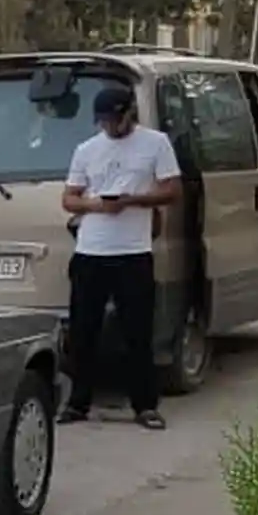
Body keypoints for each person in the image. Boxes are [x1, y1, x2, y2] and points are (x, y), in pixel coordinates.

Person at [61, 83, 182, 430]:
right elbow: (69, 198)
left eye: (115, 119)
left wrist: (133, 200)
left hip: (133, 251)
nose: (109, 127)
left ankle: (145, 405)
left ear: (129, 113)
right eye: (103, 122)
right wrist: (97, 205)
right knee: (83, 331)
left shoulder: (155, 144)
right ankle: (77, 402)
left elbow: (172, 190)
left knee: (137, 332)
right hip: (91, 249)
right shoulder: (86, 149)